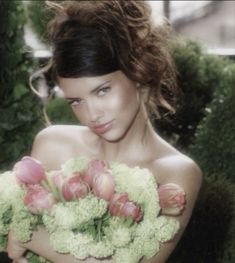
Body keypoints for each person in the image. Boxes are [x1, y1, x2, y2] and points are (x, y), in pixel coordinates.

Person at [7, 1, 202, 263]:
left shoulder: (177, 173)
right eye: (76, 101)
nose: (91, 115)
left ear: (138, 72)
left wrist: (30, 235)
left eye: (102, 91)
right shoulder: (52, 145)